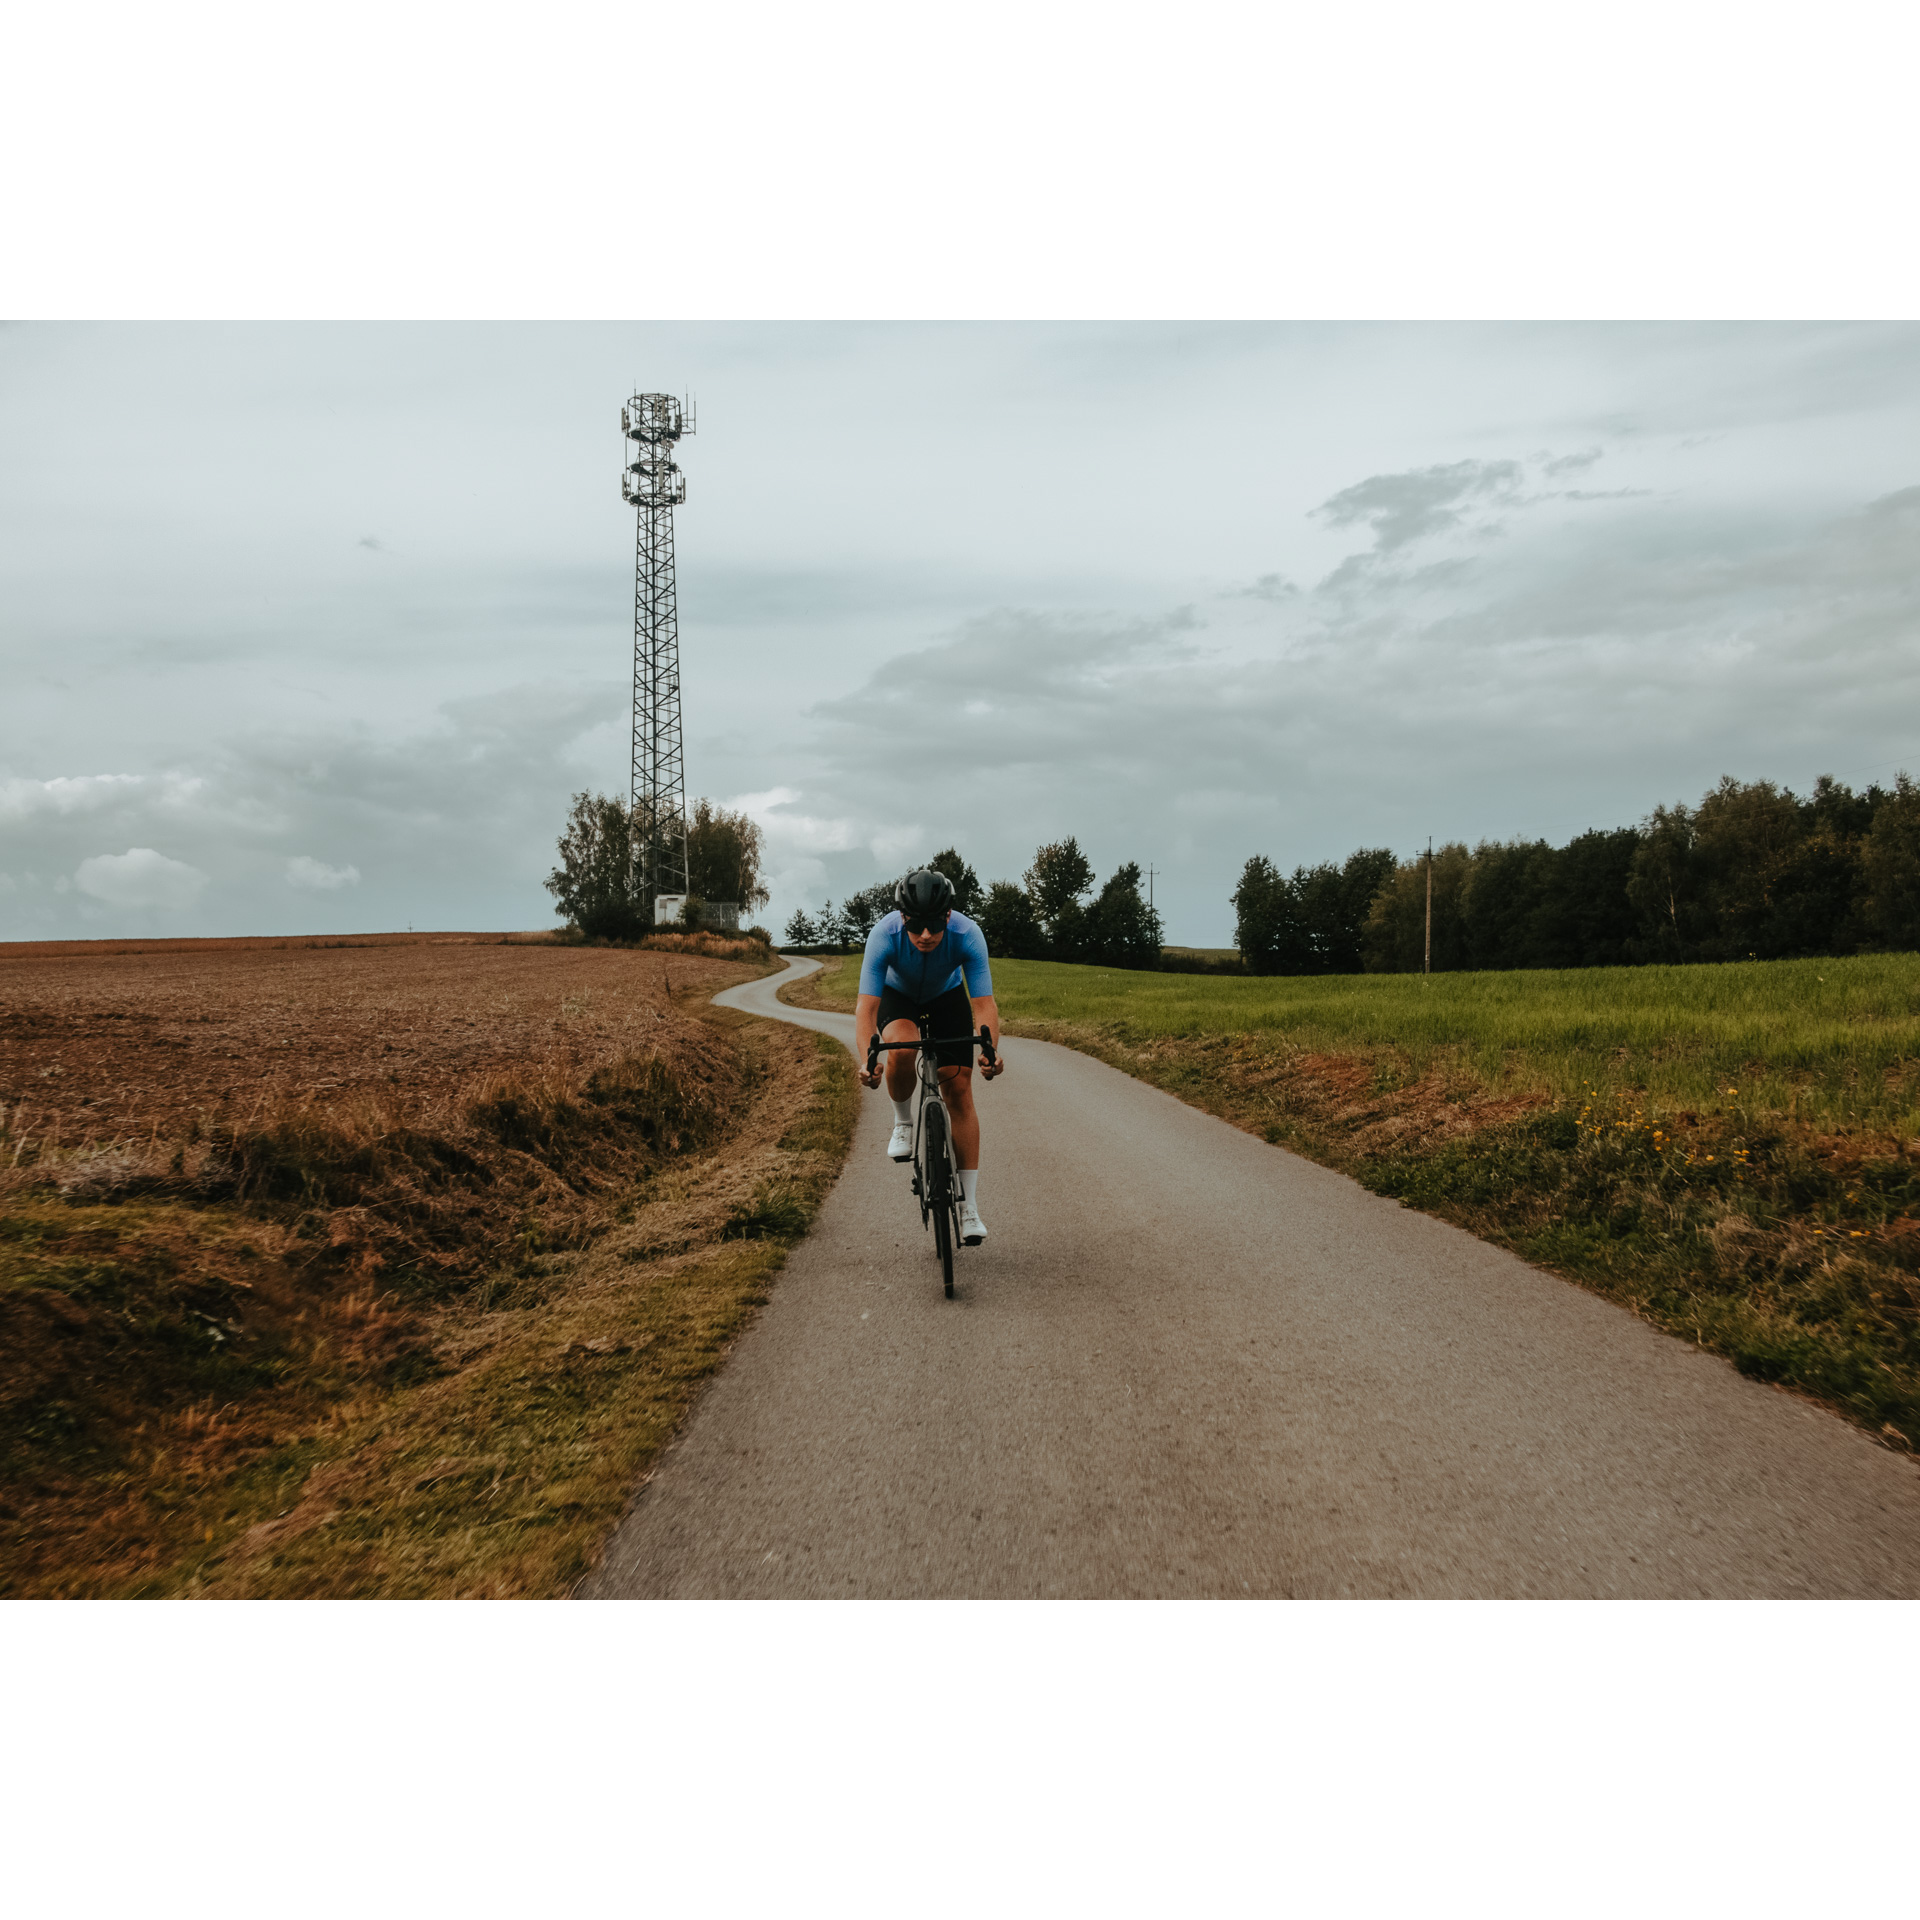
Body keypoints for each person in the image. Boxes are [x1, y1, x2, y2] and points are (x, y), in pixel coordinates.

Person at [854, 868, 1004, 1245]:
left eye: (934, 924)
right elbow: (866, 1010)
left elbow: (984, 1005)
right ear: (902, 918)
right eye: (916, 925)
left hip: (946, 999)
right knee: (902, 1048)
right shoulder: (883, 935)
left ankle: (968, 1206)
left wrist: (989, 1052)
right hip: (898, 997)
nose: (925, 935)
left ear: (948, 917)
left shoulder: (967, 935)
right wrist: (868, 1060)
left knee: (959, 1089)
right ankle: (903, 1121)